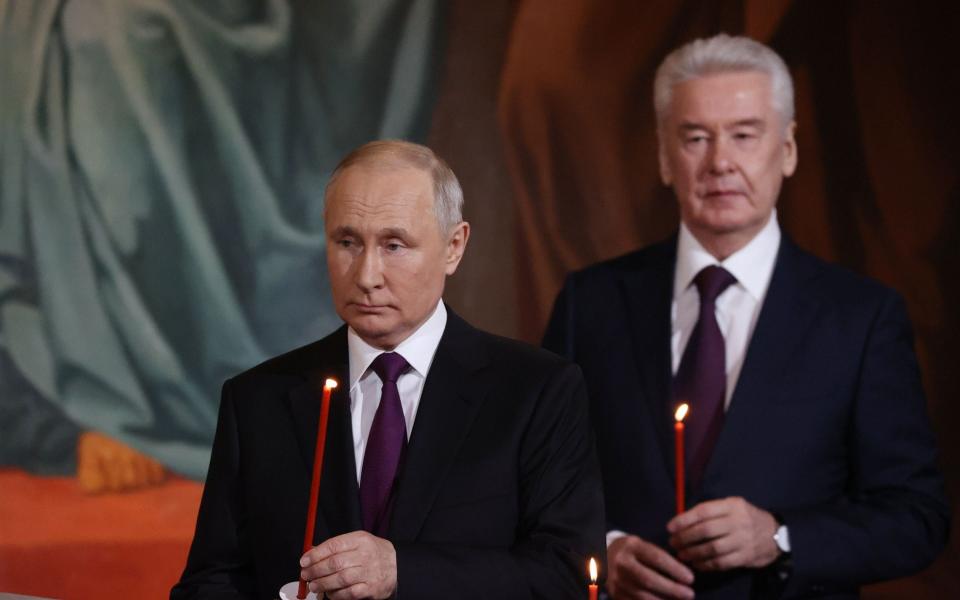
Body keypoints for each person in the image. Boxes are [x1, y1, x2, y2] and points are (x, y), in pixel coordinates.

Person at [543, 34, 948, 599]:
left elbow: (916, 518)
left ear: (787, 150)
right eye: (695, 138)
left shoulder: (861, 318)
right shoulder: (592, 301)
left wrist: (780, 537)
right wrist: (604, 549)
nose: (720, 162)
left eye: (744, 134)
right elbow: (538, 483)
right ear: (664, 156)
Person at [172, 140, 605, 599]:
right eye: (347, 243)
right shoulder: (258, 399)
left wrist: (404, 570)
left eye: (394, 245)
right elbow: (211, 583)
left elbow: (566, 577)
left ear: (454, 247)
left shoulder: (537, 391)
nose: (366, 275)